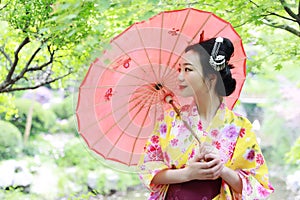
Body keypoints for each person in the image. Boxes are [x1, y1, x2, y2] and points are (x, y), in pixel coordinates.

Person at [138, 37, 274, 199]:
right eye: (179, 69)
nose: (180, 77)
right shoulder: (169, 120)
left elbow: (257, 185)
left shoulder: (239, 127)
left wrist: (221, 169)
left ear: (211, 77)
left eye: (188, 70)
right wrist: (187, 173)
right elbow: (148, 169)